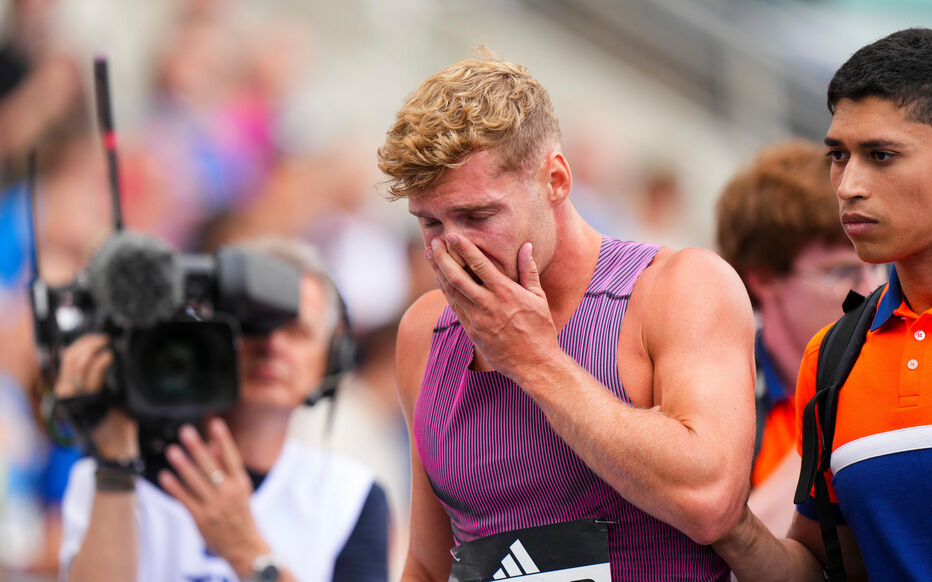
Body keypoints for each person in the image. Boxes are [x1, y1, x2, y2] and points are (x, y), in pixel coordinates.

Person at [377, 49, 756, 581]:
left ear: (555, 179)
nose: (453, 250)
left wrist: (534, 360)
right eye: (431, 223)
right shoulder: (426, 328)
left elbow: (713, 500)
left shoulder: (679, 288)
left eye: (477, 215)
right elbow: (428, 565)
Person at [713, 27, 932, 581]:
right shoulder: (832, 358)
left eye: (881, 155)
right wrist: (727, 523)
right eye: (838, 155)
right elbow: (824, 566)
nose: (848, 184)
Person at [56, 238, 389, 582]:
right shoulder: (105, 474)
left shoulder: (350, 497)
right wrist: (115, 468)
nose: (271, 345)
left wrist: (246, 551)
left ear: (332, 360)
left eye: (295, 330)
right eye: (250, 326)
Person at [714, 140, 885, 536]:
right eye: (841, 273)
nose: (871, 292)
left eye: (876, 268)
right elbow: (725, 551)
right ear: (765, 277)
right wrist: (832, 406)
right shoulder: (712, 389)